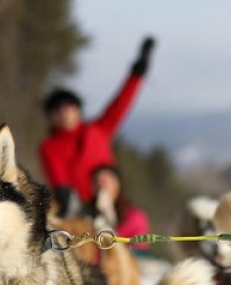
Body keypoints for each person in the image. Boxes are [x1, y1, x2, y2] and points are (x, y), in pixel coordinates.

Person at [39, 36, 156, 214]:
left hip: (113, 205)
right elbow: (59, 179)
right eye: (57, 108)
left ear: (78, 109)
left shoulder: (98, 130)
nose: (64, 111)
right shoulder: (50, 147)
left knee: (137, 222)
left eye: (69, 105)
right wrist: (66, 198)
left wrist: (138, 71)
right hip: (78, 211)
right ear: (51, 116)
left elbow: (121, 103)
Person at [86, 165, 150, 251]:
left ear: (116, 185)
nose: (100, 187)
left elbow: (137, 250)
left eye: (104, 182)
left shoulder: (134, 216)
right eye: (95, 182)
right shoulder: (85, 213)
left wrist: (108, 216)